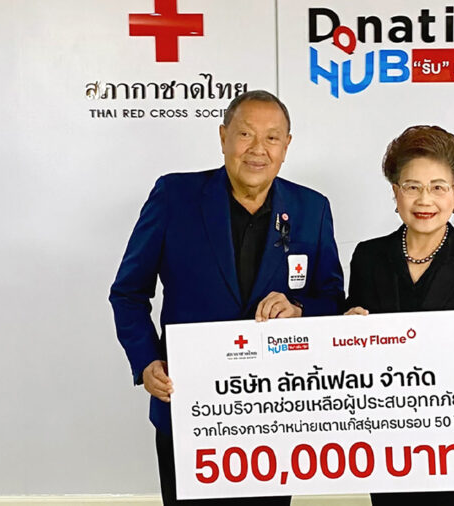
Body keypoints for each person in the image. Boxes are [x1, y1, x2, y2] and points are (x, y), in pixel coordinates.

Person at [109, 90, 345, 505]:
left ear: (287, 146)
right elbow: (128, 292)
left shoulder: (312, 208)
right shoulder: (174, 196)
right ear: (223, 137)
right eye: (246, 134)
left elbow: (332, 298)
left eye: (272, 138)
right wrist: (146, 361)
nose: (258, 149)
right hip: (189, 405)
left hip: (275, 412)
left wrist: (300, 309)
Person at [345, 125, 454, 506]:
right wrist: (348, 329)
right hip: (387, 448)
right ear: (395, 192)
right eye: (412, 186)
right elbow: (354, 351)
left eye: (438, 187)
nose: (425, 200)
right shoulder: (368, 258)